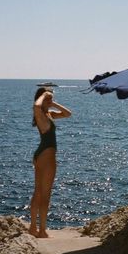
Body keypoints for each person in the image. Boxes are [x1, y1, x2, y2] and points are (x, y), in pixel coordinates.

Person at [29, 87, 71, 238]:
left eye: (51, 98)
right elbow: (35, 106)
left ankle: (34, 228)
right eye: (48, 98)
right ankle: (41, 231)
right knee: (44, 194)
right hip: (46, 156)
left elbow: (68, 114)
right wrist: (44, 96)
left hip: (42, 155)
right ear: (41, 99)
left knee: (39, 192)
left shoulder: (49, 114)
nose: (50, 101)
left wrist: (53, 103)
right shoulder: (39, 114)